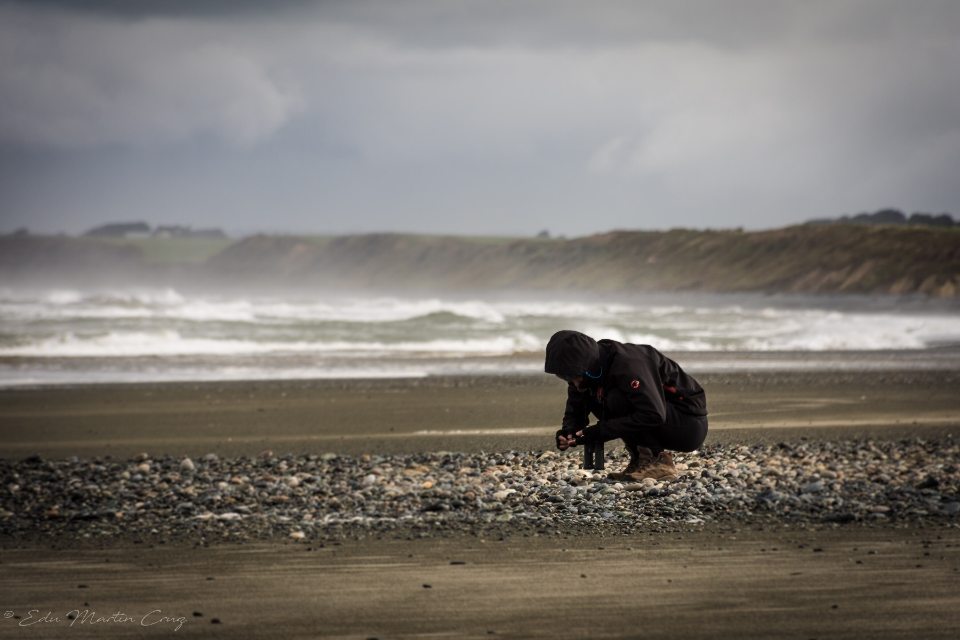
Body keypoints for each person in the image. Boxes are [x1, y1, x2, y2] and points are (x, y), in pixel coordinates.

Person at [544, 329, 708, 481]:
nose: (570, 380)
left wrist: (598, 432)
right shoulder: (585, 374)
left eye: (570, 375)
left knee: (618, 399)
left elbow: (653, 413)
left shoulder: (629, 364)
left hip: (688, 423)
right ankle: (639, 459)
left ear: (584, 365)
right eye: (563, 376)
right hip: (663, 416)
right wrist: (569, 432)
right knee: (600, 396)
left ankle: (658, 460)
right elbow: (576, 409)